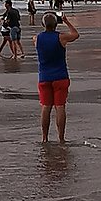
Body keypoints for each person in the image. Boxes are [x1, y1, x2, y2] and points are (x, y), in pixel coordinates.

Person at [36, 11, 80, 141]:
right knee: (60, 106)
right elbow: (75, 35)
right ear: (56, 24)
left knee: (46, 107)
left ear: (43, 24)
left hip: (44, 76)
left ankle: (44, 137)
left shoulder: (37, 38)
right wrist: (66, 21)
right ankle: (61, 137)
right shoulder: (61, 37)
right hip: (60, 75)